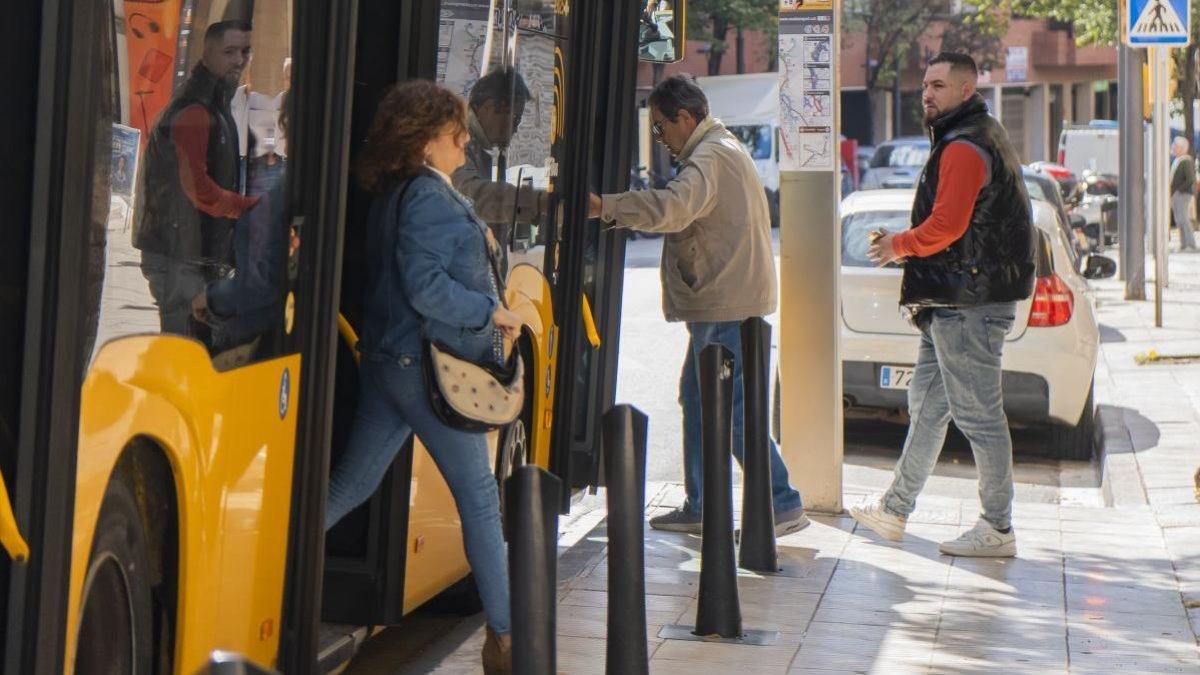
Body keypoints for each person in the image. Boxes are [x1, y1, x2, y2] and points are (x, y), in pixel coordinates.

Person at [324, 80, 523, 675]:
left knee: (347, 488)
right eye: (455, 135)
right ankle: (509, 642)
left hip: (390, 365)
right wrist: (489, 312)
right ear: (426, 141)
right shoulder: (430, 198)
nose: (466, 145)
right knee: (481, 499)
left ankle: (264, 563)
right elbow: (426, 288)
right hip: (422, 371)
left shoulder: (400, 193)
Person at [592, 75, 807, 536]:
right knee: (698, 399)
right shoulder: (720, 147)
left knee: (729, 409)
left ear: (686, 118)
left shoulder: (710, 156)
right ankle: (702, 503)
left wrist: (605, 206)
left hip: (725, 303)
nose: (660, 139)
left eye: (661, 128)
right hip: (722, 299)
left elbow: (674, 208)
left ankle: (780, 500)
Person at [852, 53, 1036, 557]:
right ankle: (894, 509)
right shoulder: (977, 133)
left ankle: (997, 528)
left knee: (978, 416)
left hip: (967, 303)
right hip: (954, 300)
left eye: (937, 85)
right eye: (924, 84)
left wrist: (897, 245)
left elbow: (947, 227)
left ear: (965, 89)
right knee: (928, 410)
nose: (926, 94)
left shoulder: (965, 145)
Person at [133, 20, 258, 336]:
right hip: (182, 256)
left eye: (245, 51)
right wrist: (249, 208)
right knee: (186, 352)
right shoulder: (195, 109)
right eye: (230, 51)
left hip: (189, 253)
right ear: (208, 52)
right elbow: (198, 189)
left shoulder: (212, 103)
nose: (240, 60)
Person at [452, 68, 547, 268]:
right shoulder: (458, 144)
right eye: (514, 118)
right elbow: (470, 196)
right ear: (487, 108)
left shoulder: (476, 147)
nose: (515, 128)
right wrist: (537, 202)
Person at [1169, 135, 1197, 251]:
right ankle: (1184, 244)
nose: (1172, 147)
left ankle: (1190, 244)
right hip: (1177, 194)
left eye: (1175, 145)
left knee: (1183, 218)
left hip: (1182, 194)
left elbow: (1190, 179)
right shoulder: (1178, 160)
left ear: (1181, 148)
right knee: (1179, 219)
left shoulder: (1186, 160)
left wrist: (1179, 190)